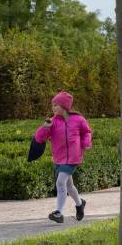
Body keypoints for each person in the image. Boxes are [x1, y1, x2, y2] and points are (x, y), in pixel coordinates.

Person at [35, 91, 92, 223]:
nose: (53, 108)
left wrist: (86, 143)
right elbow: (39, 138)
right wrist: (45, 127)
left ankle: (59, 213)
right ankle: (80, 204)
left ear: (64, 106)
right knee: (69, 186)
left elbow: (86, 132)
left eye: (56, 105)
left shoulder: (78, 120)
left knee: (60, 182)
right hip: (59, 158)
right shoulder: (52, 121)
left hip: (73, 157)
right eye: (52, 105)